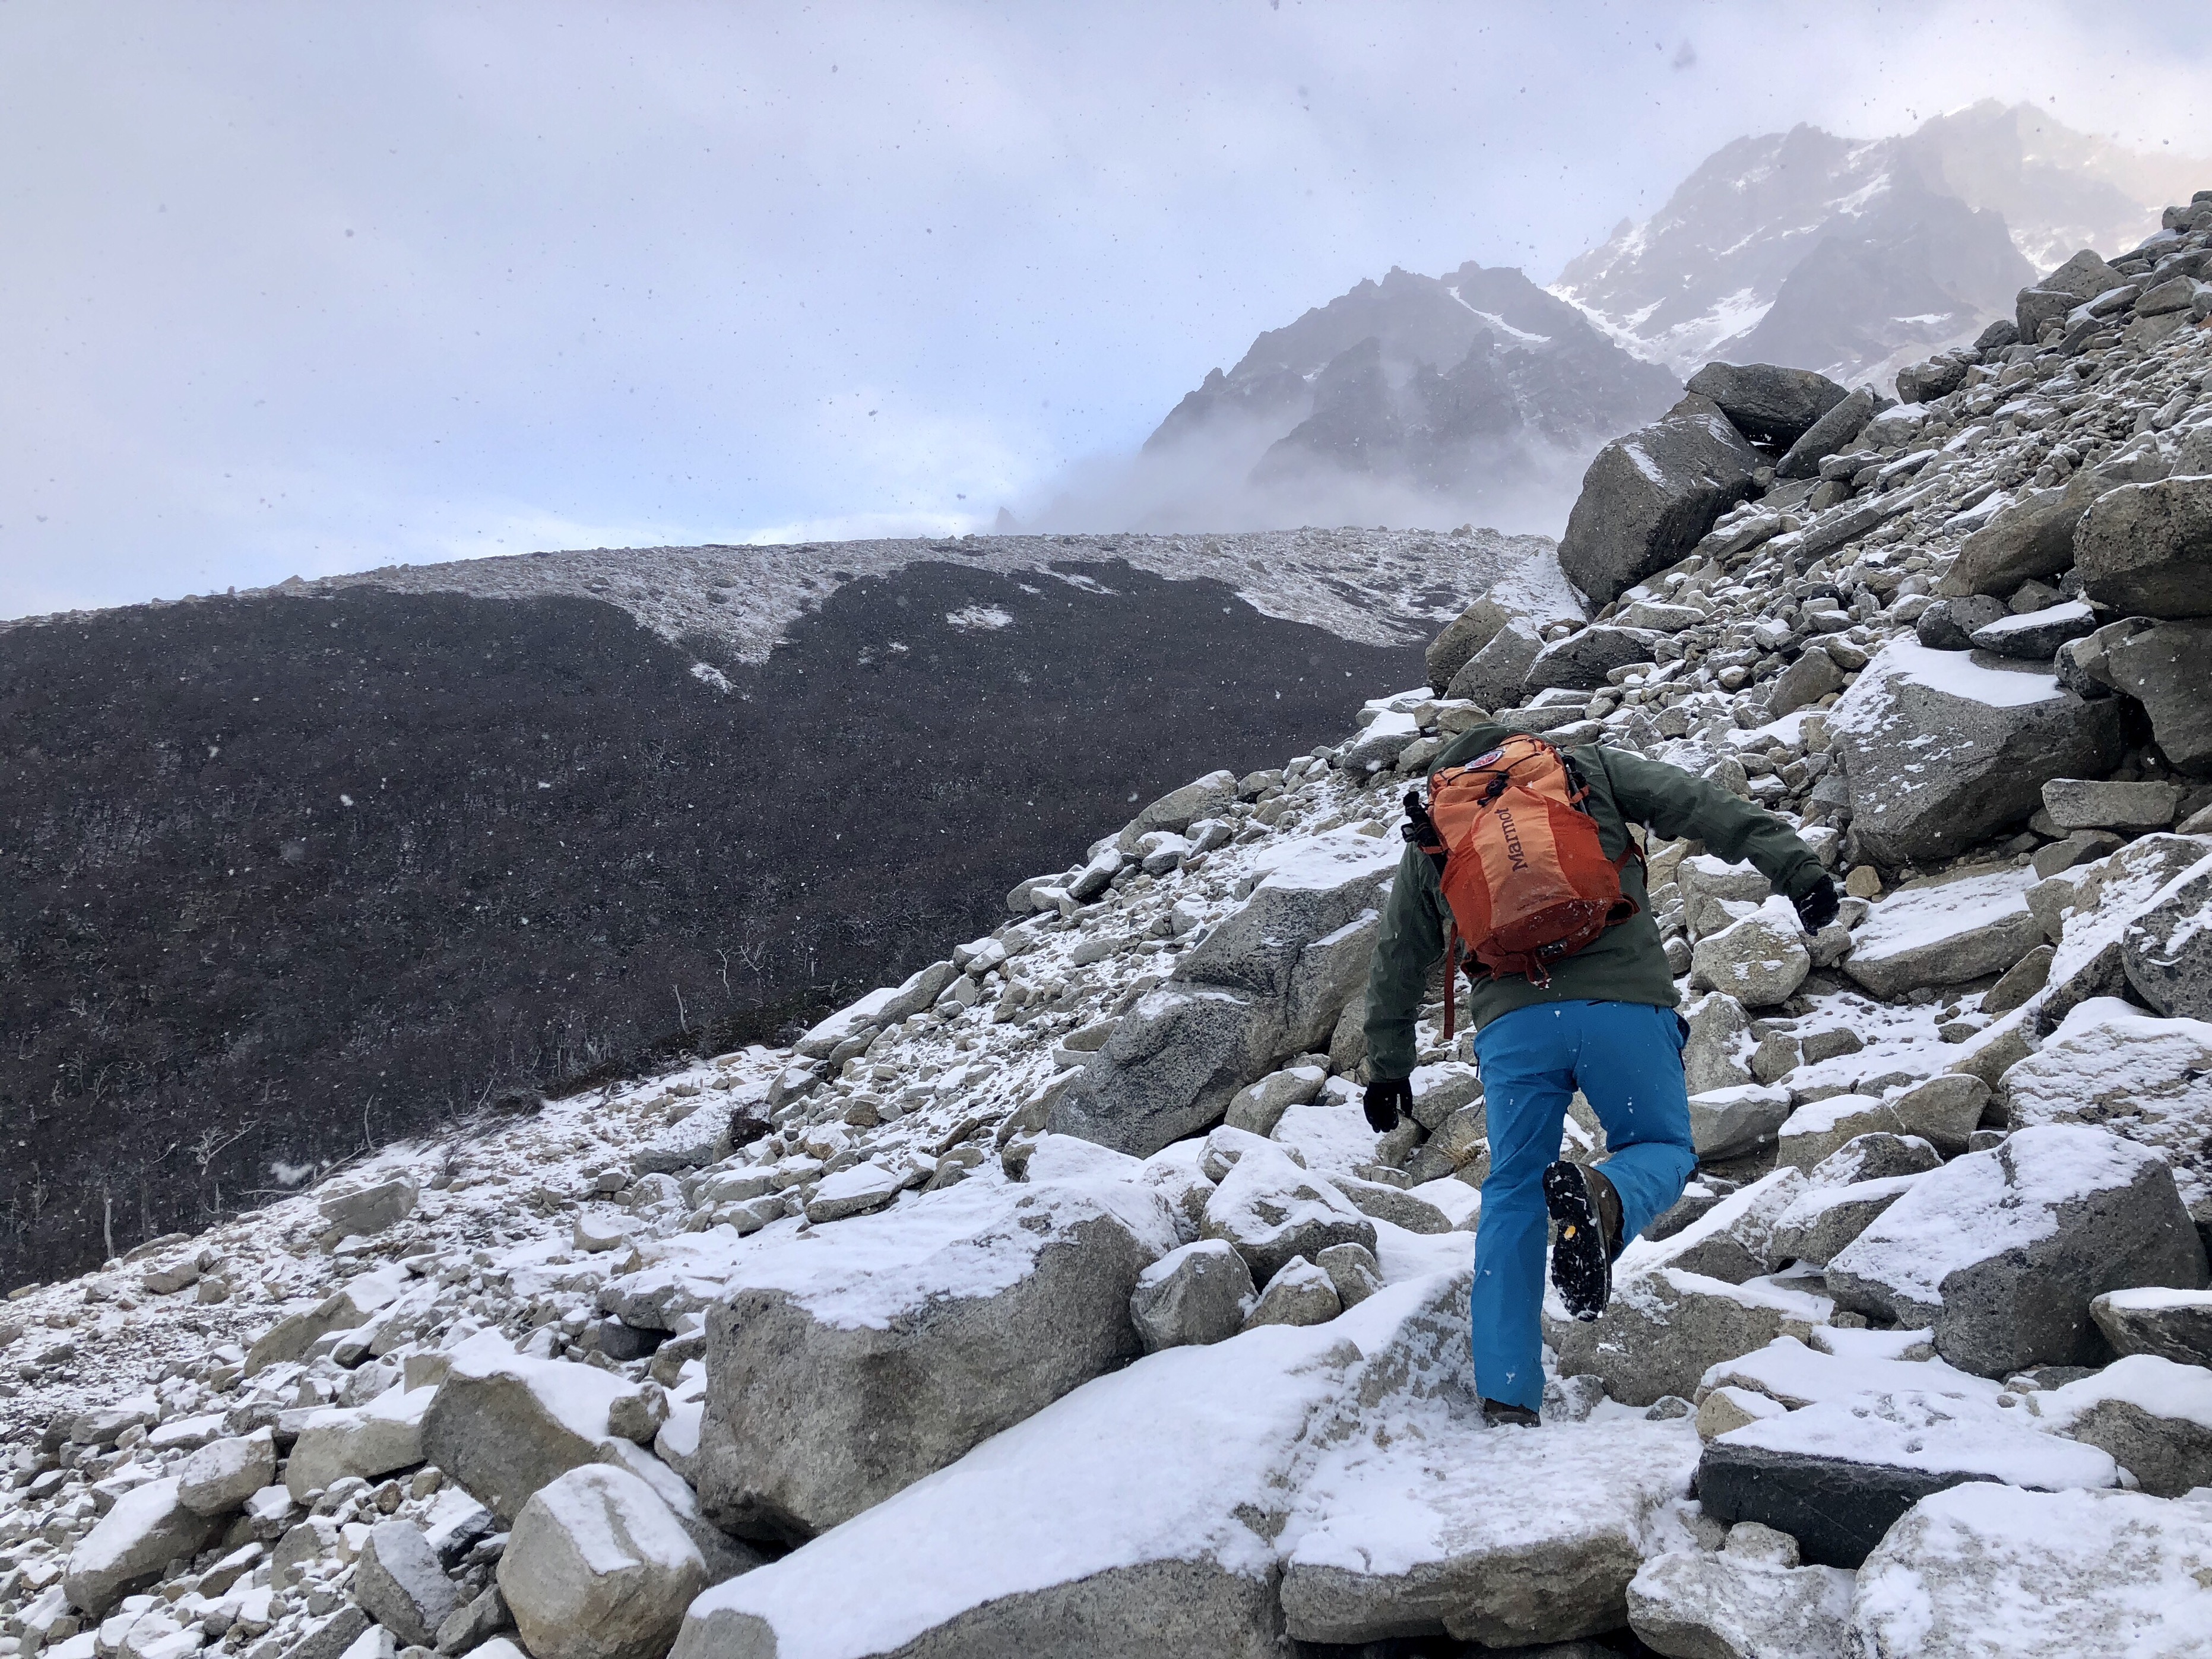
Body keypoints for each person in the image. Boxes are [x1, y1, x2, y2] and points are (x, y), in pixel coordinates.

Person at [1361, 717, 1837, 1427]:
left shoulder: (1440, 824)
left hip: (1516, 1025)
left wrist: (1388, 1065)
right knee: (1663, 1147)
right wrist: (1794, 866)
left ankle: (1508, 1392)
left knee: (1514, 1189)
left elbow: (1400, 953)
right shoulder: (1584, 771)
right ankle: (1606, 1192)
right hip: (1624, 1004)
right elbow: (1701, 803)